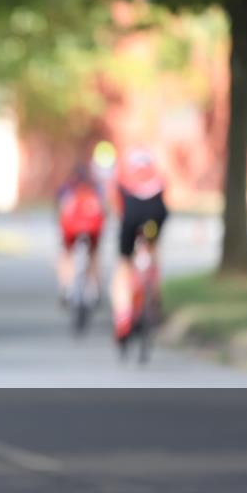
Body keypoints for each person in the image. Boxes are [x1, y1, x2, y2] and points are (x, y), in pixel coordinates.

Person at [109, 147, 168, 345]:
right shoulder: (158, 179)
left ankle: (123, 315)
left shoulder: (124, 179)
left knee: (124, 264)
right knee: (153, 250)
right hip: (154, 218)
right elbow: (164, 206)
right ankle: (155, 297)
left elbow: (118, 208)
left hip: (131, 217)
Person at [55, 163, 105, 306]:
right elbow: (103, 209)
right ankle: (96, 288)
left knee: (66, 254)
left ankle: (65, 287)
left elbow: (60, 209)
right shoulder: (95, 188)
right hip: (92, 229)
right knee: (94, 255)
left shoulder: (67, 188)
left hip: (71, 229)